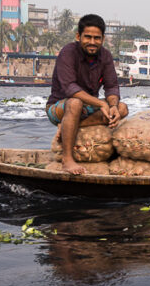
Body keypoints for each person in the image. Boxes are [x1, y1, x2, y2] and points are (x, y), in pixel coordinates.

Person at [46, 14, 128, 175]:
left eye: (97, 38)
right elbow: (70, 89)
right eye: (88, 37)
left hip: (88, 108)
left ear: (103, 38)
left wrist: (112, 106)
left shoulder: (105, 56)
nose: (92, 42)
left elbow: (111, 87)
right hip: (59, 107)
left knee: (122, 108)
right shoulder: (68, 52)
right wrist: (102, 104)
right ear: (78, 36)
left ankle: (68, 127)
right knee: (75, 103)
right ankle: (67, 159)